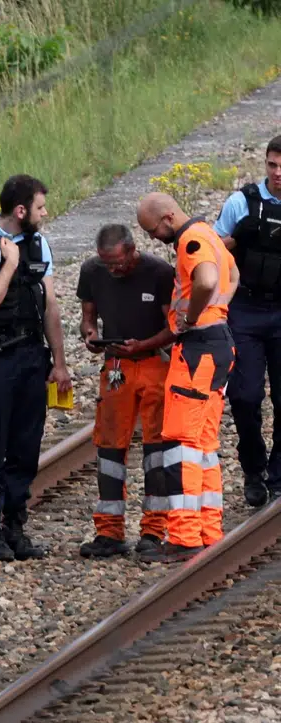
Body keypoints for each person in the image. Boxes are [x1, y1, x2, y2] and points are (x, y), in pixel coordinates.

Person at [0, 174, 73, 562]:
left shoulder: (38, 243)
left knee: (25, 445)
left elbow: (50, 305)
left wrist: (59, 362)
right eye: (40, 208)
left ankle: (14, 525)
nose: (45, 213)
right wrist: (9, 265)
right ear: (20, 211)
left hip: (30, 356)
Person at [133, 192, 238, 562]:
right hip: (219, 343)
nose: (150, 238)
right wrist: (217, 310)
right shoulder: (208, 233)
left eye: (151, 230)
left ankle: (183, 536)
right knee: (204, 445)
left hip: (197, 348)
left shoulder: (191, 241)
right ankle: (209, 530)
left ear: (166, 217)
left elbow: (207, 280)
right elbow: (232, 272)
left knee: (181, 444)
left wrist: (192, 318)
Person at [75, 224, 175, 559]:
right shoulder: (92, 271)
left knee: (157, 448)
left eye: (118, 263)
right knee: (109, 448)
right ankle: (109, 531)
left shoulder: (160, 273)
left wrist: (143, 345)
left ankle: (154, 530)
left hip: (153, 364)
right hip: (116, 366)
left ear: (133, 250)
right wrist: (90, 334)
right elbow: (87, 317)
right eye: (107, 264)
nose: (114, 270)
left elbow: (174, 327)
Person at [214, 134, 281, 505]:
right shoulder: (243, 202)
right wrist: (238, 240)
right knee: (244, 395)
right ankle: (254, 471)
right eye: (272, 164)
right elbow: (213, 249)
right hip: (247, 309)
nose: (277, 173)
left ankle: (279, 473)